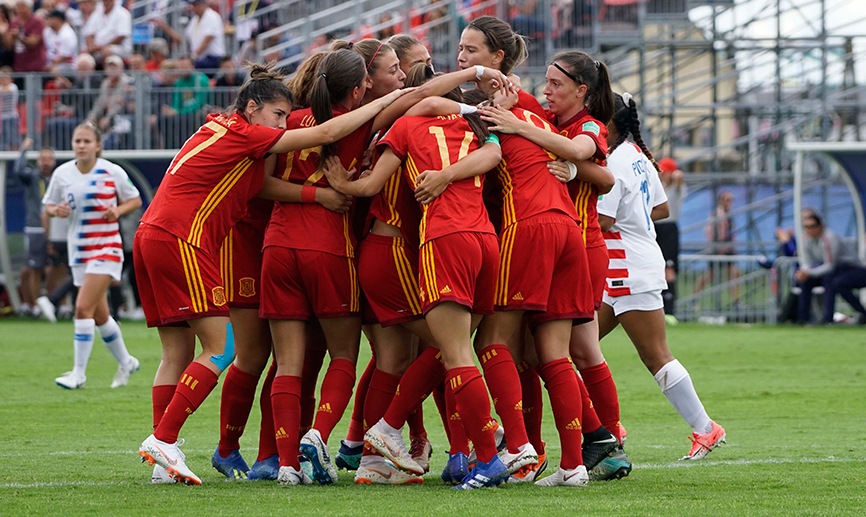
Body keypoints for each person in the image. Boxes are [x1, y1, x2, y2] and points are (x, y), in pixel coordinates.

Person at [134, 62, 409, 486]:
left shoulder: (215, 127)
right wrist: (386, 99)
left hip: (150, 235)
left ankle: (162, 459)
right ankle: (165, 439)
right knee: (224, 346)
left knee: (176, 353)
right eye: (278, 115)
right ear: (252, 107)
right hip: (183, 238)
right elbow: (323, 134)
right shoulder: (247, 133)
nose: (282, 124)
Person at [322, 88, 510, 491]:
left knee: (451, 353)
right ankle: (466, 442)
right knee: (447, 349)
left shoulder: (404, 126)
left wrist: (340, 182)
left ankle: (486, 455)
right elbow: (494, 155)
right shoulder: (475, 124)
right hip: (486, 239)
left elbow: (370, 185)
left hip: (444, 238)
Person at [474, 42, 625, 482]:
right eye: (544, 82)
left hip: (566, 237)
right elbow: (513, 92)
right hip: (565, 238)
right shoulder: (542, 116)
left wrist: (568, 163)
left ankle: (565, 444)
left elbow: (594, 165)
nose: (547, 90)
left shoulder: (585, 125)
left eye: (556, 84)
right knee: (548, 353)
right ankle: (575, 458)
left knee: (547, 347)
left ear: (582, 90)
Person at [597, 92, 726, 461]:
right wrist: (634, 218)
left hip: (626, 269)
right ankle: (607, 424)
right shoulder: (635, 156)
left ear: (607, 123)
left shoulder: (614, 161)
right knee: (575, 349)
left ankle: (705, 428)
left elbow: (604, 220)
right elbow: (662, 208)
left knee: (655, 356)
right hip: (627, 266)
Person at [42, 122, 143, 390]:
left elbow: (134, 200)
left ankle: (78, 374)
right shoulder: (62, 174)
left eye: (87, 141)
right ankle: (127, 361)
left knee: (82, 307)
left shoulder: (112, 171)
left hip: (107, 247)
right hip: (79, 250)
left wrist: (118, 211)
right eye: (78, 141)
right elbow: (49, 205)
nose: (82, 146)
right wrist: (57, 211)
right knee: (99, 315)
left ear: (98, 145)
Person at [796, 210, 866, 324]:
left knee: (833, 280)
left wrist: (809, 272)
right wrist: (804, 272)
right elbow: (808, 262)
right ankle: (803, 319)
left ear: (820, 226)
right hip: (832, 270)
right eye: (806, 227)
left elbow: (830, 265)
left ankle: (828, 318)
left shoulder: (829, 237)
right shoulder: (805, 240)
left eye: (813, 226)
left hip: (849, 268)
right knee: (805, 281)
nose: (810, 230)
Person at [11, 138, 55, 318]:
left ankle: (57, 303)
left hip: (56, 230)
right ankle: (36, 305)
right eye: (42, 158)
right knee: (34, 268)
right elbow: (18, 170)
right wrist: (23, 149)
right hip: (35, 228)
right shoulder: (32, 177)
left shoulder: (58, 178)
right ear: (38, 161)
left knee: (58, 267)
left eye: (49, 159)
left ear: (53, 161)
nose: (45, 162)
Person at [655, 157, 685, 317]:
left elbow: (679, 178)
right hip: (655, 226)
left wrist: (675, 174)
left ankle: (669, 310)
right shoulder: (658, 186)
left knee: (669, 269)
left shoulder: (676, 187)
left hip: (668, 229)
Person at [5, 0, 46, 75]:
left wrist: (19, 36)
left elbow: (33, 43)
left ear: (29, 8)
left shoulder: (37, 22)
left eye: (22, 7)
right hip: (18, 65)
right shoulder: (14, 22)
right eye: (18, 7)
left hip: (34, 66)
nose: (19, 10)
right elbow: (9, 45)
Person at [185, 0, 225, 70]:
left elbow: (207, 40)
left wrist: (193, 57)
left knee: (190, 68)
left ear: (203, 4)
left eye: (196, 5)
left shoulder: (213, 16)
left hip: (214, 58)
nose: (193, 8)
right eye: (193, 5)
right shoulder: (195, 19)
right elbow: (188, 37)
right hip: (200, 58)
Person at [42, 10, 77, 74]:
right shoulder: (48, 31)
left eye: (50, 19)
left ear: (57, 20)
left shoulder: (67, 33)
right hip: (52, 62)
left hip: (68, 65)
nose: (48, 21)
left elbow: (64, 56)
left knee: (55, 70)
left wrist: (51, 66)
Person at [0, 66, 20, 150]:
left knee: (13, 136)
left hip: (12, 116)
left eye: (5, 77)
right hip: (3, 117)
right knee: (4, 138)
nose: (3, 79)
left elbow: (7, 91)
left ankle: (15, 153)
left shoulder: (13, 86)